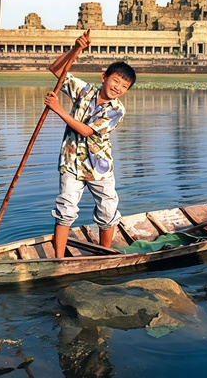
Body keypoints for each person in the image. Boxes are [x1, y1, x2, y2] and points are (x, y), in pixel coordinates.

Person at [44, 31, 136, 258]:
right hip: (71, 162)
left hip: (99, 168)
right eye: (116, 80)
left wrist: (58, 109)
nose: (118, 87)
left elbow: (86, 130)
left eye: (124, 86)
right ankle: (58, 259)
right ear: (104, 77)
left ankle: (105, 255)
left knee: (107, 211)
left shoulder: (117, 110)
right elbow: (57, 70)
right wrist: (76, 49)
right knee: (65, 209)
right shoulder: (84, 91)